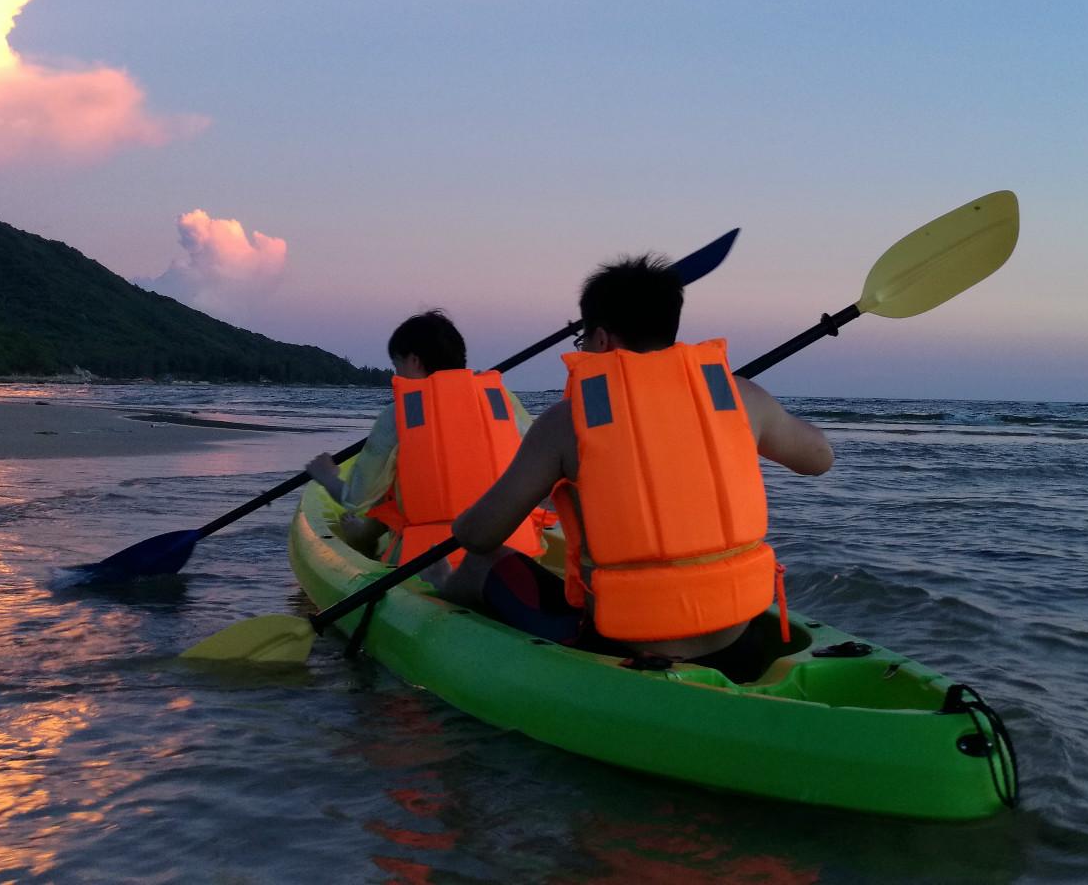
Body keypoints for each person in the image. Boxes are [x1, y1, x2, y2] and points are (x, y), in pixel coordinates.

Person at [444, 255, 833, 681]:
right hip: (737, 640)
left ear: (602, 339)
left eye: (584, 344)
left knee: (479, 564)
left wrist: (460, 521)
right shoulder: (739, 397)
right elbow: (819, 459)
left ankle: (440, 643)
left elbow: (479, 535)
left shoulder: (568, 420)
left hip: (623, 647)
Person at [305, 310, 547, 570]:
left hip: (429, 563)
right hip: (515, 556)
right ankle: (365, 533)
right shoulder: (504, 400)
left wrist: (327, 476)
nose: (395, 377)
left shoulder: (398, 414)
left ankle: (364, 536)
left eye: (396, 367)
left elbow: (356, 498)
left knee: (392, 478)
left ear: (414, 361)